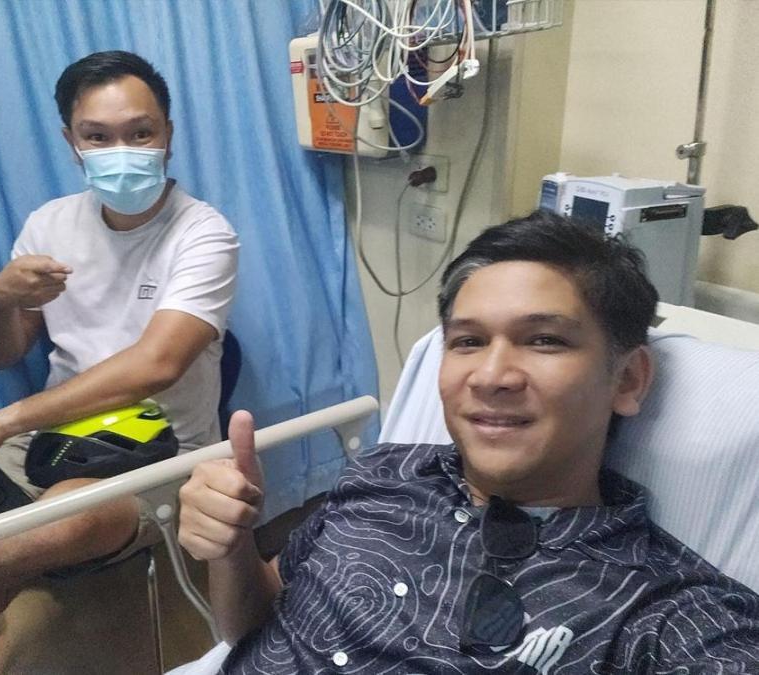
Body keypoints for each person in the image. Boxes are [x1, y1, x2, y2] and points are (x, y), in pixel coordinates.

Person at [178, 211, 759, 673]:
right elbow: (258, 619)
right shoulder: (381, 474)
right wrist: (233, 551)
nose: (490, 376)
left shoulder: (661, 610)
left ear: (627, 380)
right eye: (468, 342)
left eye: (545, 340)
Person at [0, 50, 238, 672]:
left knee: (64, 524)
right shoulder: (50, 224)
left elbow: (157, 366)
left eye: (141, 132)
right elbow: (2, 351)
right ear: (71, 142)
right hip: (52, 437)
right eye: (98, 136)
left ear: (168, 134)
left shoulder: (204, 234)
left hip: (163, 447)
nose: (122, 151)